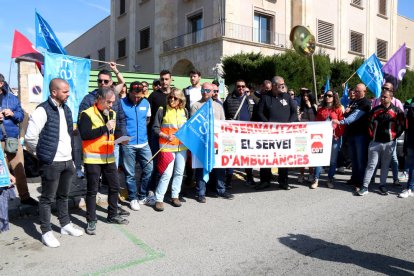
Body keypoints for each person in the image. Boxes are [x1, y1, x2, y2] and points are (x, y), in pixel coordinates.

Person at [25, 78, 83, 247]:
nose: (68, 94)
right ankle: (46, 232)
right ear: (54, 92)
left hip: (67, 161)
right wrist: (43, 155)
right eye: (65, 91)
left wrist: (71, 158)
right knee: (47, 199)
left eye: (68, 91)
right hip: (51, 163)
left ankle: (65, 225)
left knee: (63, 196)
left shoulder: (66, 109)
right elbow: (30, 138)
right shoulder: (42, 111)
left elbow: (67, 135)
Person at [78, 87, 129, 235]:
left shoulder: (111, 113)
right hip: (93, 159)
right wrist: (104, 128)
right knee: (92, 191)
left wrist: (122, 139)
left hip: (109, 157)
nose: (111, 106)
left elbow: (115, 131)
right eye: (109, 102)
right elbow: (86, 134)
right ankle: (91, 220)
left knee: (114, 187)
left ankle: (112, 215)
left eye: (113, 102)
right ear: (99, 99)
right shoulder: (86, 114)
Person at [355, 89, 404, 196]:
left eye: (385, 97)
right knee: (371, 165)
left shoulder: (397, 111)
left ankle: (382, 185)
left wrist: (394, 137)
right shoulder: (375, 110)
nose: (382, 98)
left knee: (386, 166)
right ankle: (365, 187)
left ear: (391, 98)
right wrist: (373, 136)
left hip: (389, 143)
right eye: (381, 96)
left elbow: (401, 126)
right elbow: (369, 125)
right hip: (375, 143)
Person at [191, 82, 234, 203]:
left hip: (216, 142)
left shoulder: (218, 106)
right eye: (203, 90)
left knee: (219, 167)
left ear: (212, 92)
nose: (205, 93)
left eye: (208, 91)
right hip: (202, 142)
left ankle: (221, 189)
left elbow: (222, 123)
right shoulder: (196, 106)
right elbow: (194, 124)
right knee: (201, 167)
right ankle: (201, 192)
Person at [0, 74, 37, 206]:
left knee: (19, 169)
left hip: (12, 139)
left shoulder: (12, 99)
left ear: (1, 84)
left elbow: (22, 116)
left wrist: (12, 114)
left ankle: (25, 197)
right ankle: (2, 199)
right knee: (1, 172)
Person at [256, 76, 297, 190]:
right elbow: (259, 112)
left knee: (283, 157)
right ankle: (265, 181)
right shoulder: (265, 98)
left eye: (284, 84)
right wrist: (268, 124)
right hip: (269, 133)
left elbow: (294, 112)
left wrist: (289, 124)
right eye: (281, 85)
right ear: (274, 85)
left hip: (284, 133)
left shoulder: (287, 97)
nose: (283, 86)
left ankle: (283, 181)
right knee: (266, 157)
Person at [152, 88, 188, 211]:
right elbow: (155, 128)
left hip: (182, 147)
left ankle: (175, 196)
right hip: (166, 147)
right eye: (171, 97)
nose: (172, 99)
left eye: (175, 98)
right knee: (166, 174)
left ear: (181, 100)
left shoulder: (185, 111)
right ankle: (159, 199)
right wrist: (165, 136)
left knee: (179, 173)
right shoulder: (163, 110)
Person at [120, 82, 154, 211]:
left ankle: (142, 195)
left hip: (144, 143)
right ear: (129, 92)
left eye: (139, 96)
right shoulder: (121, 103)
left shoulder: (146, 103)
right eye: (134, 96)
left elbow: (147, 119)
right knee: (130, 173)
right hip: (128, 144)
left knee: (149, 169)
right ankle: (133, 197)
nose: (136, 99)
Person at [333, 83, 371, 190]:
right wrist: (346, 113)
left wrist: (341, 121)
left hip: (361, 135)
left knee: (360, 159)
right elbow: (348, 114)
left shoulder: (366, 103)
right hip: (351, 134)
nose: (356, 93)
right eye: (355, 91)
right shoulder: (353, 101)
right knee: (353, 159)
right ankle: (354, 178)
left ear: (364, 92)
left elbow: (354, 116)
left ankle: (361, 181)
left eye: (358, 91)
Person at [223, 79, 256, 186]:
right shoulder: (229, 99)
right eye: (238, 86)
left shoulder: (250, 99)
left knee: (248, 155)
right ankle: (228, 179)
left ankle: (249, 177)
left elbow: (255, 114)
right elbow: (224, 115)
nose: (241, 88)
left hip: (247, 132)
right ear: (235, 87)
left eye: (243, 86)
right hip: (232, 133)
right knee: (231, 155)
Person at [371, 83, 404, 186]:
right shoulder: (377, 100)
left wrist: (395, 135)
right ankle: (372, 178)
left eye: (386, 88)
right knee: (374, 159)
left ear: (392, 91)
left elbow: (401, 118)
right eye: (383, 88)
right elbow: (372, 116)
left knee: (393, 158)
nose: (384, 89)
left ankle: (395, 179)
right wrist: (372, 133)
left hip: (390, 137)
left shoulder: (396, 102)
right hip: (377, 136)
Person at [311, 91, 344, 189]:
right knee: (319, 159)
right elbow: (316, 123)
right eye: (326, 95)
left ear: (334, 97)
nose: (327, 97)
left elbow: (342, 123)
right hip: (322, 138)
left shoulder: (338, 109)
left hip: (334, 138)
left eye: (330, 96)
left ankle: (330, 179)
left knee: (333, 161)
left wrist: (338, 133)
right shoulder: (321, 109)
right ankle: (316, 179)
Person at [297, 90, 317, 184]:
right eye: (304, 96)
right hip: (301, 134)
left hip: (311, 133)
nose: (305, 98)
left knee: (310, 155)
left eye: (307, 96)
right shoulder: (301, 107)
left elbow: (313, 119)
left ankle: (311, 174)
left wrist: (310, 107)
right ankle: (301, 174)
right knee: (301, 154)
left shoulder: (314, 106)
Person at [399, 95, 414, 198]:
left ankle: (410, 188)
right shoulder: (411, 102)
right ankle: (410, 188)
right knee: (411, 164)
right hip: (411, 138)